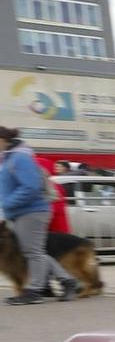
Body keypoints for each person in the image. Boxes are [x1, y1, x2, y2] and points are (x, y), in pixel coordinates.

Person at [2, 126, 80, 304]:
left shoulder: (19, 157)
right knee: (33, 251)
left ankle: (34, 291)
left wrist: (7, 203)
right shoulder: (8, 158)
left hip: (32, 211)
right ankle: (67, 281)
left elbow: (30, 186)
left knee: (33, 252)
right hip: (19, 212)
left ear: (3, 139)